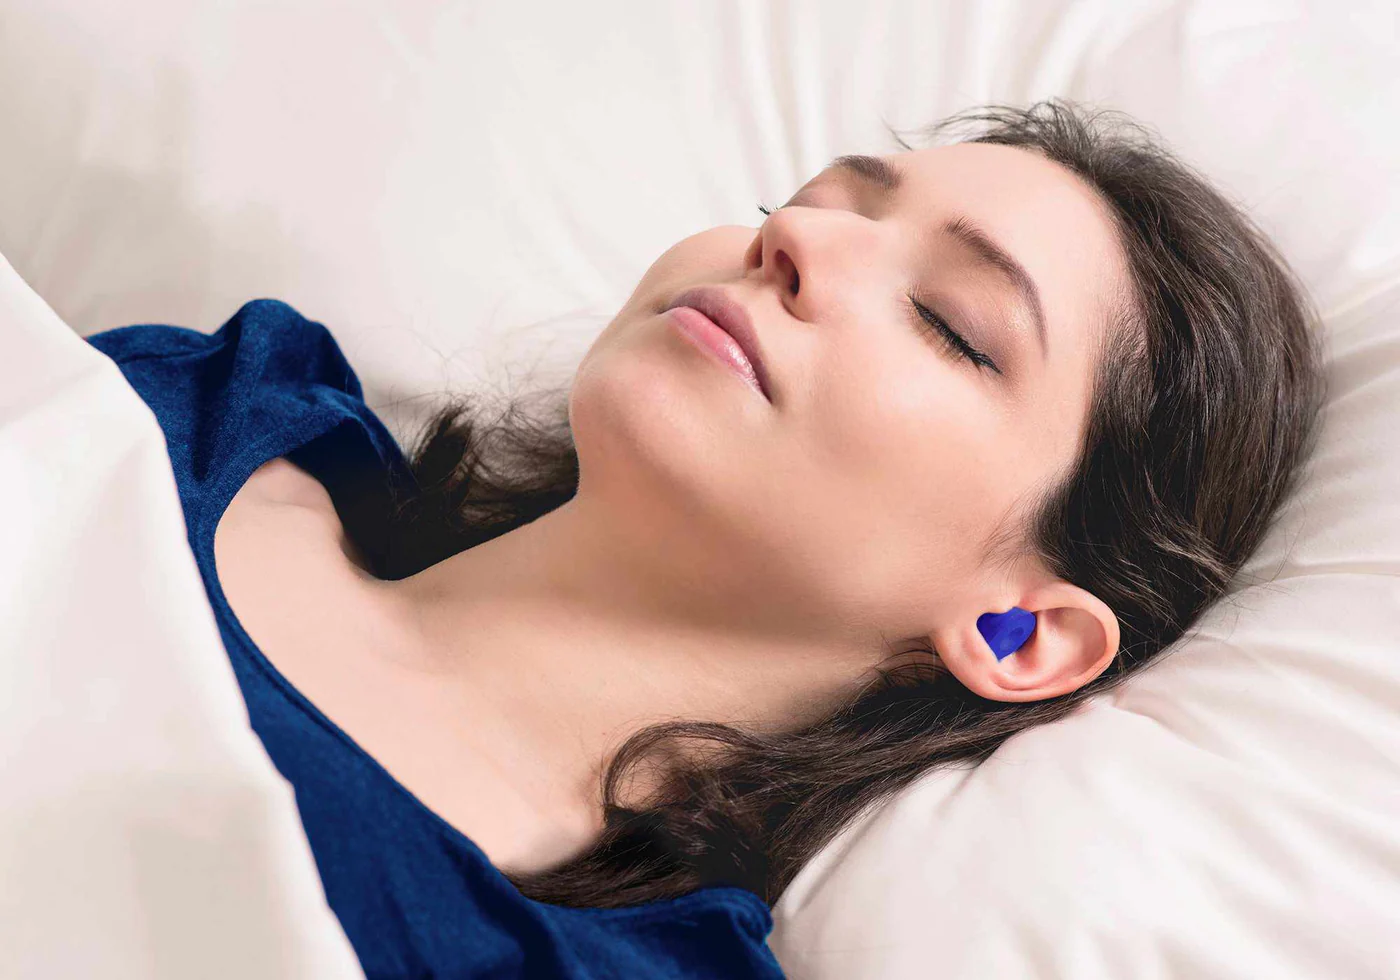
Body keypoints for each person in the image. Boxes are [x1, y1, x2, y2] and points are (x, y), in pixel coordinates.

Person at [87, 98, 1327, 977]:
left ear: (1019, 632)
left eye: (951, 323)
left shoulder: (592, 963)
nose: (794, 240)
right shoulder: (212, 408)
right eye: (808, 202)